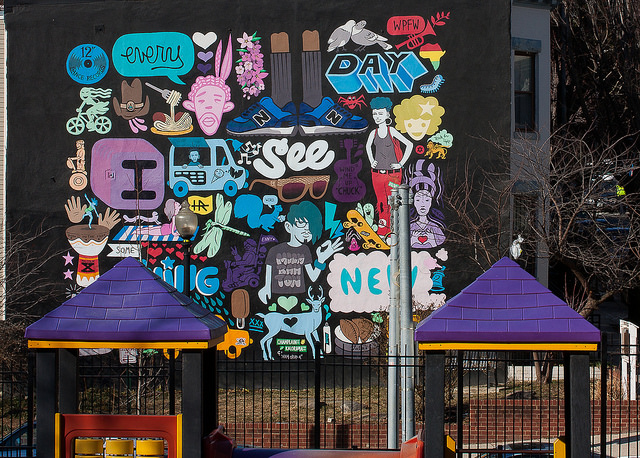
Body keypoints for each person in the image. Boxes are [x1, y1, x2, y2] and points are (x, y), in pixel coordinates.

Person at [258, 201, 342, 303]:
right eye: (301, 224)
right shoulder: (275, 250)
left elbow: (313, 277)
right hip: (276, 296)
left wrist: (321, 259)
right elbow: (268, 272)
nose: (306, 231)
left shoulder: (304, 250)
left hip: (299, 297)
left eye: (310, 227)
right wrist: (266, 287)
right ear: (288, 227)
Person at [365, 97, 413, 236]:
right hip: (377, 174)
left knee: (392, 201)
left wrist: (401, 163)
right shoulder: (373, 133)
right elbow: (368, 146)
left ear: (387, 114)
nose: (377, 116)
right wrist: (371, 160)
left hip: (393, 174)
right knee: (381, 202)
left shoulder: (391, 131)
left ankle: (393, 229)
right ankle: (382, 229)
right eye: (375, 114)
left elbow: (409, 144)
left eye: (380, 113)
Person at [408, 160, 445, 249]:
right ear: (414, 202)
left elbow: (441, 243)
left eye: (427, 200)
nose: (422, 204)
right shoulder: (410, 227)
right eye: (418, 200)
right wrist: (412, 240)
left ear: (431, 202)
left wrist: (433, 240)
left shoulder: (435, 227)